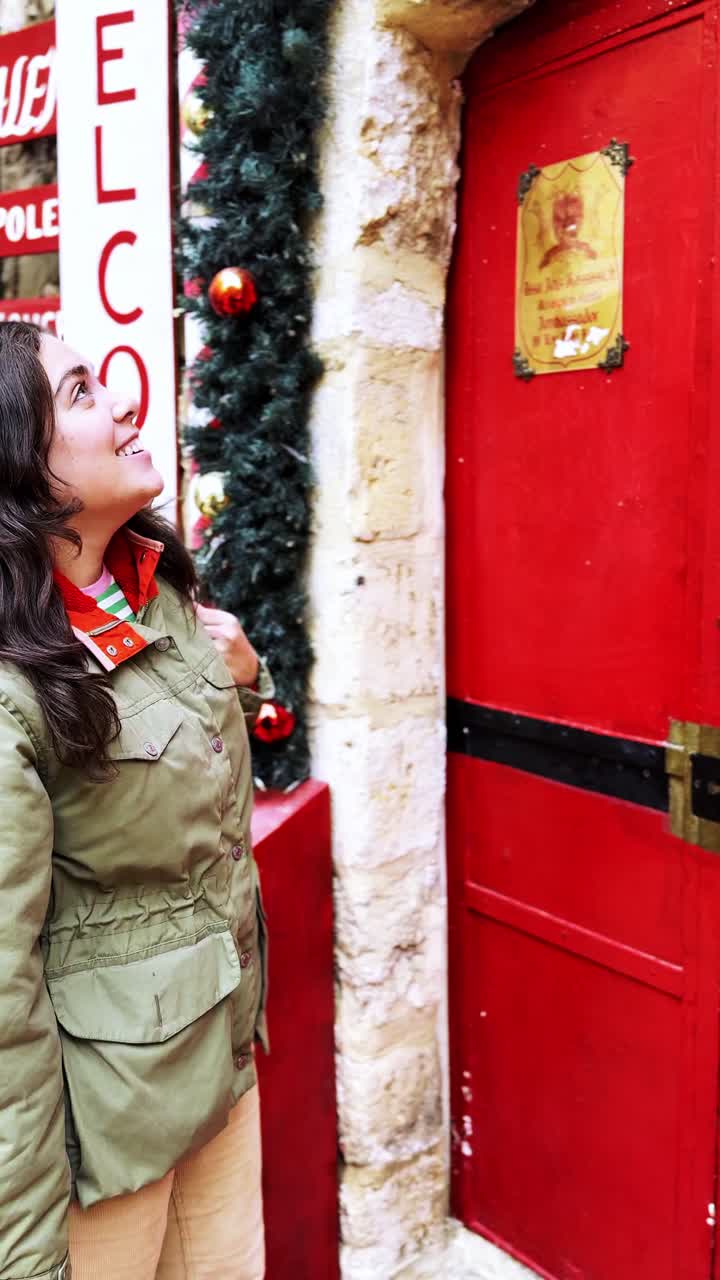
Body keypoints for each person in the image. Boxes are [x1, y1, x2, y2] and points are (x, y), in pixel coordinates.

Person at [0, 321, 272, 1280]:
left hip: (223, 1071)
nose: (123, 400)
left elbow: (183, 782)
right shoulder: (8, 687)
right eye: (79, 392)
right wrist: (27, 1258)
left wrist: (247, 681)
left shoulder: (151, 591)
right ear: (16, 469)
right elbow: (2, 1012)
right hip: (100, 1147)